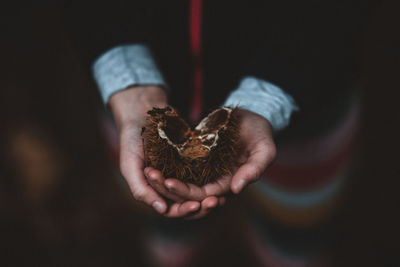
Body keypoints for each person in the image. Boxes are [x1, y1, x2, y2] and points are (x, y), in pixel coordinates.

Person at [60, 0, 377, 265]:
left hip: (307, 97)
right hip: (132, 97)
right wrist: (127, 77)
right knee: (163, 210)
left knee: (295, 234)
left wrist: (269, 95)